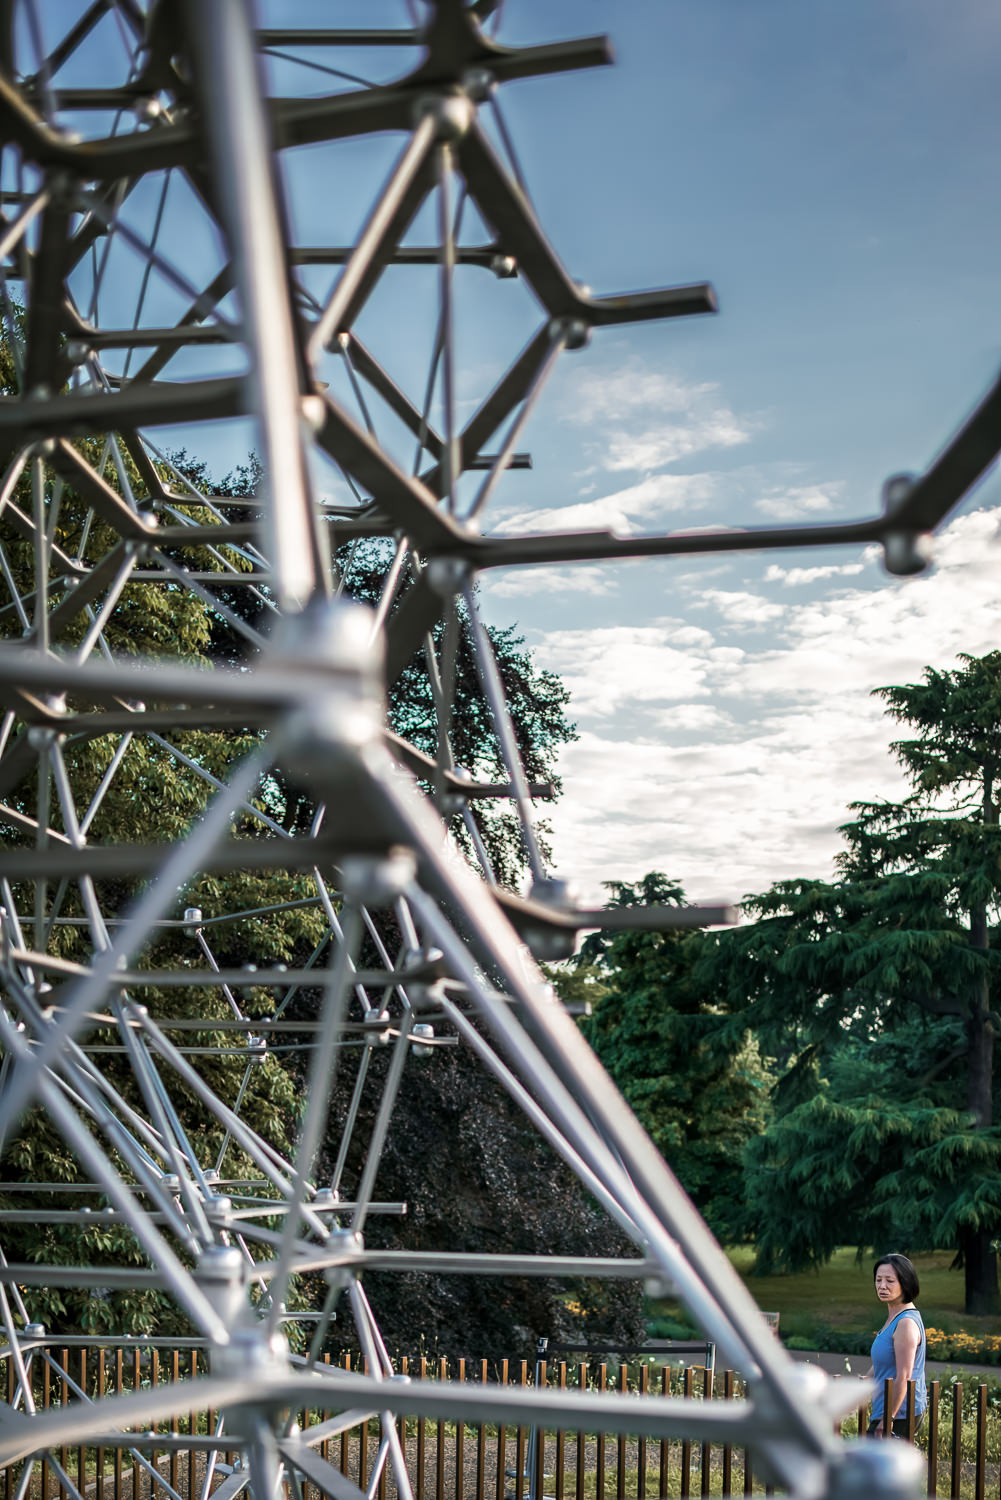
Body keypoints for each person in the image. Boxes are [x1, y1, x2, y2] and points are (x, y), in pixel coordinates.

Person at [864, 1252, 927, 1437]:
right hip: (887, 1409)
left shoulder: (906, 1323)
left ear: (905, 1283)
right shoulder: (893, 1316)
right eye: (878, 1280)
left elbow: (904, 1376)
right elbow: (882, 1363)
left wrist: (888, 1418)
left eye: (890, 1281)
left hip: (899, 1414)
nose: (882, 1286)